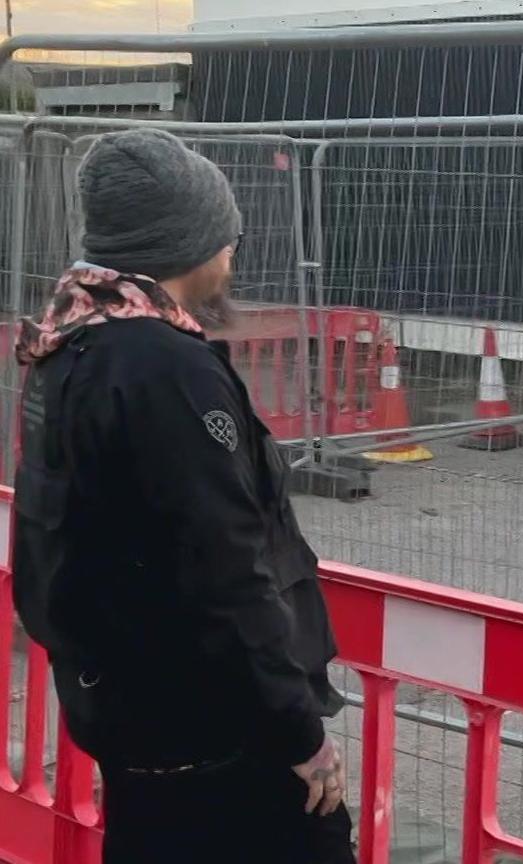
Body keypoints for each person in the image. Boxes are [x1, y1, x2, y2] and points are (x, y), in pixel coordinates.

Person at [11, 129, 355, 864]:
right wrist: (302, 734)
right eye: (225, 235)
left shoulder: (67, 344)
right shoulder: (165, 369)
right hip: (223, 743)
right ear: (184, 242)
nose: (233, 251)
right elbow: (227, 571)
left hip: (135, 729)